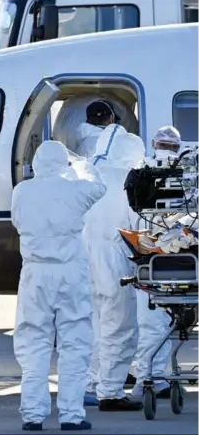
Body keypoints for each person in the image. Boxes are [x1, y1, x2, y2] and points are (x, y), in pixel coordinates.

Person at [11, 141, 107, 431]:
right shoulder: (77, 190)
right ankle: (71, 415)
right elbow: (98, 186)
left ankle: (33, 415)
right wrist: (81, 165)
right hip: (70, 273)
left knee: (33, 343)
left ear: (36, 164)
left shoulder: (21, 191)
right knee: (75, 343)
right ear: (63, 164)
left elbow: (17, 222)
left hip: (35, 273)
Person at [84, 125, 146, 411]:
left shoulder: (90, 175)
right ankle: (110, 391)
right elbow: (140, 230)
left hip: (85, 259)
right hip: (114, 260)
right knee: (120, 327)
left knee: (94, 326)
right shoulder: (130, 182)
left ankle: (92, 383)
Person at [130, 126, 182, 399]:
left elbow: (133, 222)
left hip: (151, 265)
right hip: (182, 265)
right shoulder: (187, 175)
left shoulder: (139, 174)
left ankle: (147, 377)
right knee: (166, 323)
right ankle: (155, 376)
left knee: (151, 324)